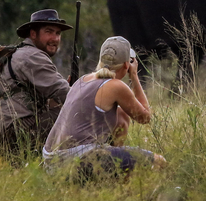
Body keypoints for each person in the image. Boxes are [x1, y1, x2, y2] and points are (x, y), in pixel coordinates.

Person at [43, 37, 165, 177]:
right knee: (159, 162)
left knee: (121, 114)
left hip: (51, 162)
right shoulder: (116, 85)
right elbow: (145, 117)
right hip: (78, 159)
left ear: (100, 61)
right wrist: (134, 76)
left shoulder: (81, 80)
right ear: (127, 64)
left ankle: (114, 174)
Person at [0, 9, 72, 161]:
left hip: (0, 136)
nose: (55, 38)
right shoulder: (32, 56)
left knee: (59, 108)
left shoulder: (19, 53)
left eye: (58, 33)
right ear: (33, 34)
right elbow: (64, 93)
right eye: (48, 32)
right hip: (14, 135)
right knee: (75, 114)